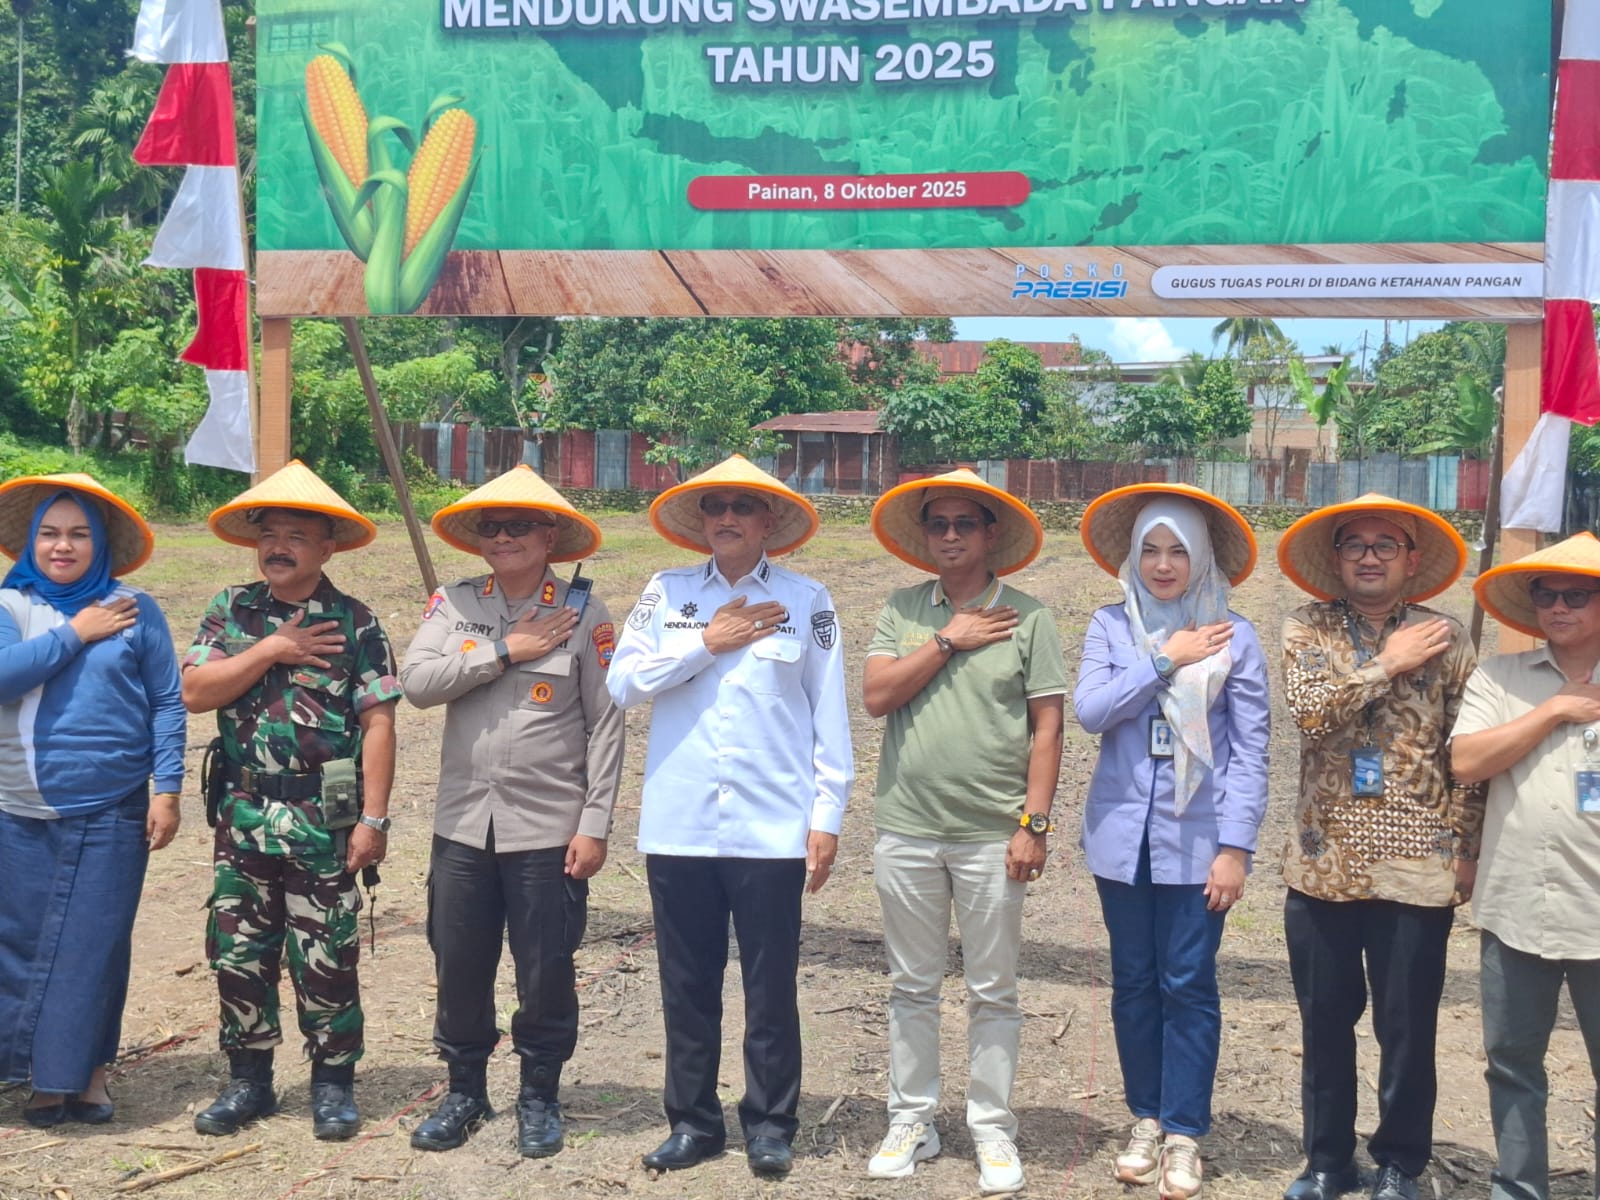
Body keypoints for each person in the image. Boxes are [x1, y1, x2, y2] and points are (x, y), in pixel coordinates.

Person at [607, 454, 853, 1179]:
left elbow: (827, 714)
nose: (727, 519)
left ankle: (771, 1123)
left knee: (771, 984)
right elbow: (623, 684)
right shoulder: (668, 593)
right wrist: (704, 644)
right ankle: (693, 1123)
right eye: (715, 507)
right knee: (686, 981)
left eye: (743, 508)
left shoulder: (810, 600)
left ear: (768, 521)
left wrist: (827, 814)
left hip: (773, 824)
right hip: (680, 822)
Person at [400, 466, 624, 1157]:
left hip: (548, 829)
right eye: (491, 527)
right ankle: (465, 1090)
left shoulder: (585, 613)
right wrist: (504, 650)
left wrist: (595, 823)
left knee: (546, 968)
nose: (504, 537)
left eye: (519, 524)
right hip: (463, 823)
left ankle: (539, 1095)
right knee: (459, 965)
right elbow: (416, 684)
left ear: (548, 533)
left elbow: (606, 724)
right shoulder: (454, 604)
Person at [862, 467, 1065, 1197]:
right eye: (937, 525)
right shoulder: (904, 608)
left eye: (963, 524)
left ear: (990, 534)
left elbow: (1047, 727)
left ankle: (992, 1128)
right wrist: (948, 639)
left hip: (991, 832)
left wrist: (1033, 824)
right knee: (912, 984)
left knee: (993, 988)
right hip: (908, 827)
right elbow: (878, 697)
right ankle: (912, 1118)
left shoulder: (1030, 617)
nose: (949, 536)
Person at [182, 461, 400, 1141]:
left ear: (328, 546)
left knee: (326, 952)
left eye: (296, 535)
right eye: (269, 534)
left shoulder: (356, 623)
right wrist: (273, 648)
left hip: (323, 820)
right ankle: (249, 1080)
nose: (278, 546)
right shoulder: (231, 609)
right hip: (244, 816)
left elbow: (379, 724)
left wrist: (373, 818)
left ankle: (333, 1084)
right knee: (240, 952)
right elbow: (196, 691)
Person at [1275, 494, 1483, 1200]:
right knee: (1326, 1026)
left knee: (1407, 1032)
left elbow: (1470, 757)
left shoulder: (1447, 636)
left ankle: (1401, 1163)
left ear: (1411, 560)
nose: (1369, 556)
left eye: (1384, 544)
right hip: (1322, 863)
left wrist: (1468, 850)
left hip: (1418, 866)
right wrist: (1386, 664)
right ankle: (1327, 1161)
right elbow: (1308, 715)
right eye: (1354, 544)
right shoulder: (1305, 629)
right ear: (1335, 560)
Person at [1074, 483, 1270, 1200]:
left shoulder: (1234, 636)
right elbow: (1092, 711)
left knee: (1187, 983)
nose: (1162, 566)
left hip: (1198, 841)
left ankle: (1186, 1131)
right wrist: (1164, 657)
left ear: (1202, 559)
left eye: (1177, 552)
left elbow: (1250, 750)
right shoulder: (1110, 626)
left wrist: (1236, 847)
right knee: (1133, 982)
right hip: (1121, 837)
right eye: (1150, 551)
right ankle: (1146, 1118)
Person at [0, 474, 183, 1127]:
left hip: (115, 804)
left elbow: (167, 701)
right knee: (19, 943)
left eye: (79, 534)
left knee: (96, 944)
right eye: (50, 533)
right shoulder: (11, 606)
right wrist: (77, 631)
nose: (63, 546)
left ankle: (91, 1078)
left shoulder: (135, 609)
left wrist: (167, 789)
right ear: (30, 541)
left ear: (100, 544)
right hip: (20, 807)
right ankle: (43, 1083)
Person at [1450, 531, 1600, 1200]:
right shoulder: (1501, 677)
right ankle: (1519, 1189)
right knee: (1512, 1063)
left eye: (1578, 595)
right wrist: (1554, 711)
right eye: (1547, 593)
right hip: (1516, 907)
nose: (1559, 606)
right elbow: (1467, 762)